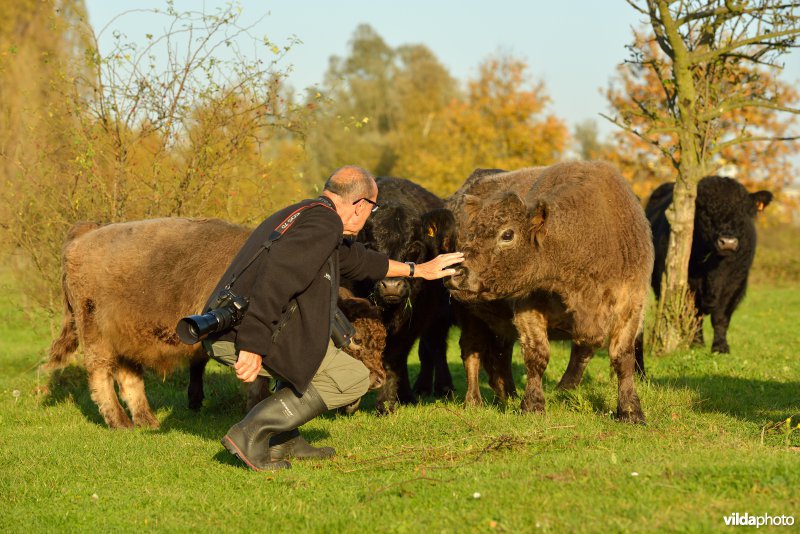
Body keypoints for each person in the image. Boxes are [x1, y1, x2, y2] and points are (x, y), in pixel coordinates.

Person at [203, 165, 464, 471]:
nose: (369, 215)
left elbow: (357, 260)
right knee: (352, 378)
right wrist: (253, 343)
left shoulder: (305, 214)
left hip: (236, 326)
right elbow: (278, 279)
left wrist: (418, 270)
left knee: (321, 359)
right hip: (243, 334)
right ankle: (250, 435)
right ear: (360, 206)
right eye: (372, 208)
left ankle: (284, 439)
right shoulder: (322, 225)